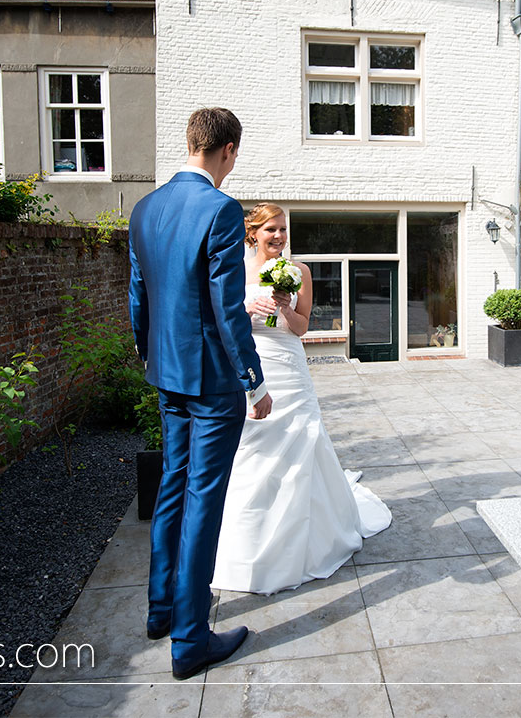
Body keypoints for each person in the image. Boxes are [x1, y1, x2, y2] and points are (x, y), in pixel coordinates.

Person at [128, 108, 271, 680]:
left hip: (166, 373)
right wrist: (253, 381)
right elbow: (227, 309)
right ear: (228, 151)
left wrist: (149, 354)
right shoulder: (220, 210)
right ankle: (190, 639)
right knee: (201, 504)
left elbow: (139, 296)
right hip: (211, 382)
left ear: (192, 143)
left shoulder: (145, 208)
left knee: (170, 489)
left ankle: (160, 610)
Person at [212, 204, 391, 595]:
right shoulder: (235, 270)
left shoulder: (300, 272)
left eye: (283, 230)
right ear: (253, 233)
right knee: (252, 451)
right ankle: (248, 540)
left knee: (302, 443)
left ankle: (308, 539)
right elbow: (223, 321)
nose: (279, 236)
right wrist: (246, 306)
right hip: (255, 366)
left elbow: (302, 327)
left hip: (291, 367)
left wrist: (281, 306)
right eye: (271, 230)